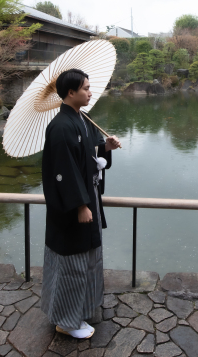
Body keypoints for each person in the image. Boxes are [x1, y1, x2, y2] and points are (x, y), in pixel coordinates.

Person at [40, 68, 121, 339]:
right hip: (74, 209)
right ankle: (67, 321)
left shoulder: (81, 119)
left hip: (89, 200)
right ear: (71, 92)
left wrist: (104, 148)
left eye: (89, 87)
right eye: (85, 88)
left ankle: (82, 309)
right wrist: (80, 206)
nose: (89, 92)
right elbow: (64, 172)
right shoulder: (61, 127)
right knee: (72, 263)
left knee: (88, 258)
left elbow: (88, 155)